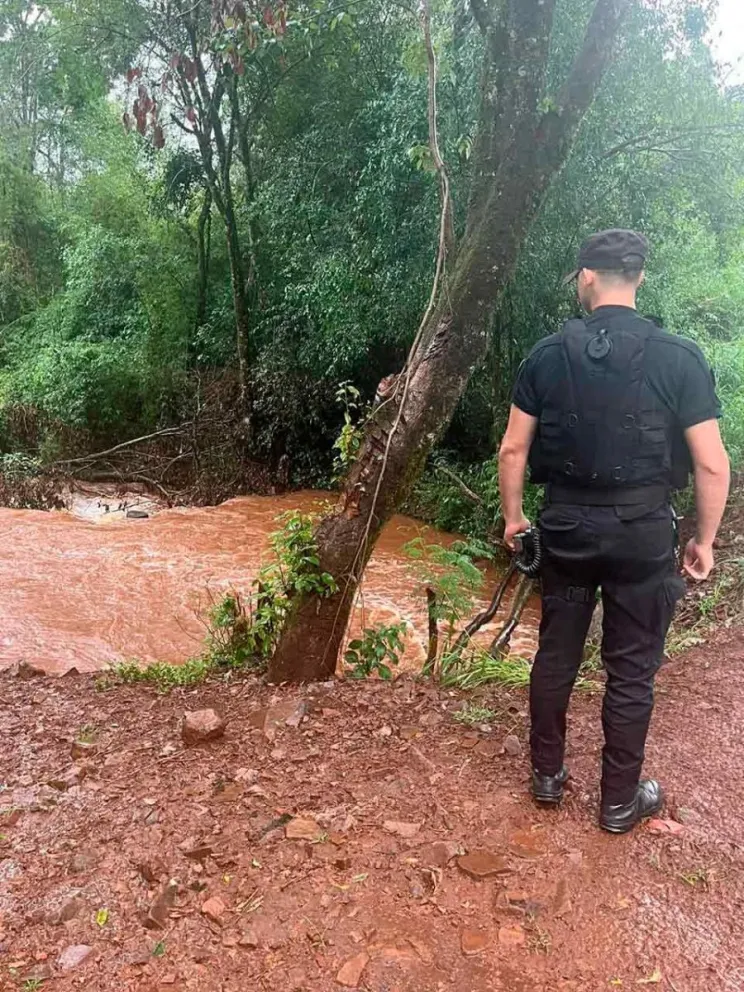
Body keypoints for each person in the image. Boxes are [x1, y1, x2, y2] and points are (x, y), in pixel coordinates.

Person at [498, 229, 730, 834]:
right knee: (630, 669)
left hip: (568, 530)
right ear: (640, 280)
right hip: (642, 535)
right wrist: (703, 540)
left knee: (556, 654)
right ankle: (620, 801)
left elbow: (512, 450)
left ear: (586, 277)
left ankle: (547, 777)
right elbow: (710, 462)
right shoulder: (679, 357)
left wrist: (516, 519)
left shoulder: (547, 355)